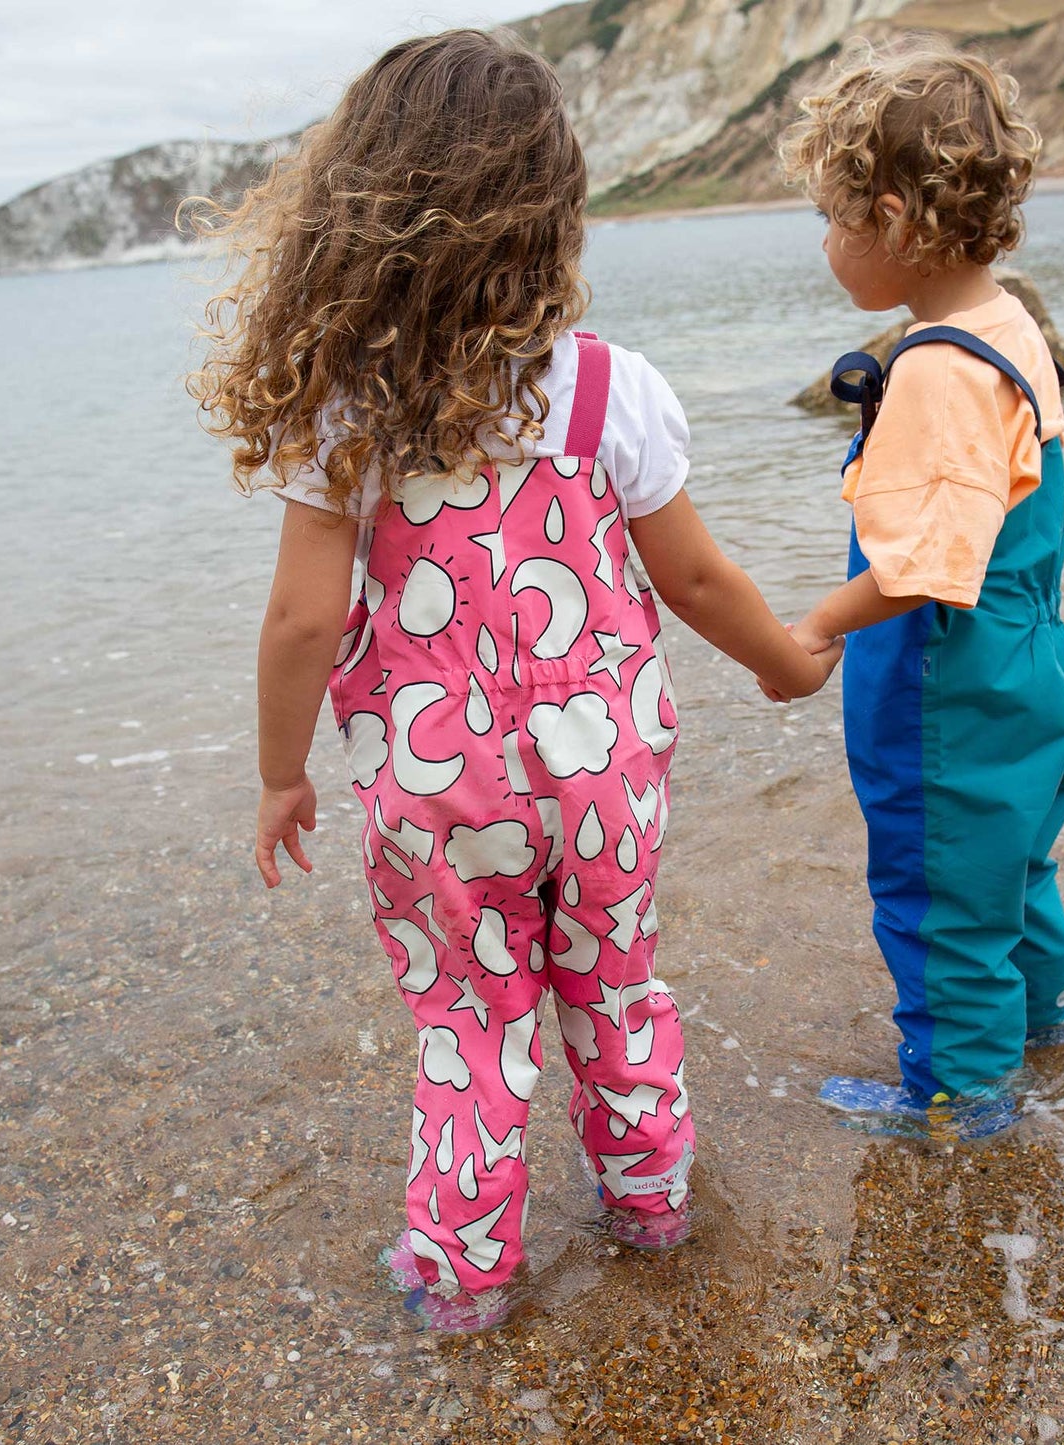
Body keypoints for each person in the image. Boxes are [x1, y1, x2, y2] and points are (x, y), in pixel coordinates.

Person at [187, 30, 840, 1331]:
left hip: (439, 789)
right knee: (616, 986)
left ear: (358, 217)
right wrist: (784, 665)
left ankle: (461, 1278)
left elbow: (298, 622)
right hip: (601, 771)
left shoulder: (346, 409)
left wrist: (280, 774)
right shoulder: (612, 391)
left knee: (471, 1028)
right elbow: (696, 582)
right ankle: (651, 1207)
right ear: (551, 216)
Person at [770, 38, 1064, 1134]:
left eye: (829, 216)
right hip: (1030, 655)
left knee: (938, 883)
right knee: (1011, 860)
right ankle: (1044, 1020)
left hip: (951, 683)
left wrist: (813, 626)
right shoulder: (1007, 330)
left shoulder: (939, 369)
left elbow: (919, 567)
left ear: (896, 221)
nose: (822, 242)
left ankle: (960, 1095)